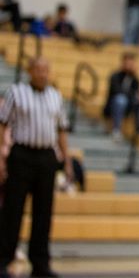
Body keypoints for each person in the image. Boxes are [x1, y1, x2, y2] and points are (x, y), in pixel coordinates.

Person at [0, 57, 73, 278]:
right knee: (13, 211)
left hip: (46, 157)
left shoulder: (56, 96)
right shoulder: (15, 93)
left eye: (46, 70)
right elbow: (2, 124)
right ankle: (3, 260)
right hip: (21, 154)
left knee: (44, 213)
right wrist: (0, 159)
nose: (42, 74)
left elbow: (61, 129)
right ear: (30, 71)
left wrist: (66, 160)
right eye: (38, 70)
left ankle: (40, 263)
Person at [103, 51, 139, 141]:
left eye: (131, 63)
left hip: (128, 106)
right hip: (113, 106)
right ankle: (116, 130)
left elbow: (137, 93)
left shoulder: (135, 79)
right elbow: (117, 91)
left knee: (138, 102)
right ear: (123, 63)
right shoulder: (115, 76)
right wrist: (130, 95)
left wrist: (133, 76)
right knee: (121, 100)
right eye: (127, 63)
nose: (129, 65)